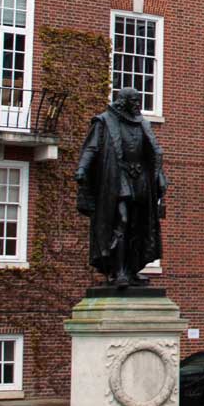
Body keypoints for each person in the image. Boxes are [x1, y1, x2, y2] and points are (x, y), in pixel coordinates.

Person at [74, 88, 166, 287]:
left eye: (138, 101)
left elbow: (153, 153)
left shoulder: (142, 123)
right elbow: (91, 147)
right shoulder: (105, 121)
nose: (137, 104)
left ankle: (132, 270)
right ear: (123, 101)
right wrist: (82, 168)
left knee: (138, 225)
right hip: (117, 178)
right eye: (134, 100)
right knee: (121, 220)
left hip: (140, 179)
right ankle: (118, 270)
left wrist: (159, 175)